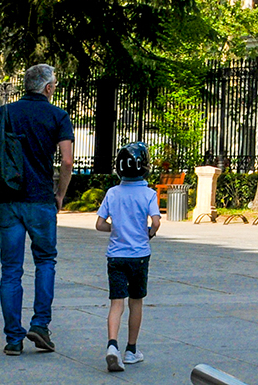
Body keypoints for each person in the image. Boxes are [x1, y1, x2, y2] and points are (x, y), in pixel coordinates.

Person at [0, 63, 74, 357]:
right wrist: (59, 194)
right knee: (45, 262)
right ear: (48, 88)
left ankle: (13, 338)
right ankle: (40, 324)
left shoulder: (4, 113)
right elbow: (66, 161)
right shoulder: (58, 116)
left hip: (9, 201)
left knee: (10, 270)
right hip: (40, 200)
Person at [95, 142, 161, 372]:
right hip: (140, 255)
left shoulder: (112, 193)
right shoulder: (149, 194)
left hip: (115, 256)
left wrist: (116, 229)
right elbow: (155, 222)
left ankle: (112, 344)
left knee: (116, 303)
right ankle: (131, 349)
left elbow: (99, 224)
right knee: (136, 302)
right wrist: (149, 233)